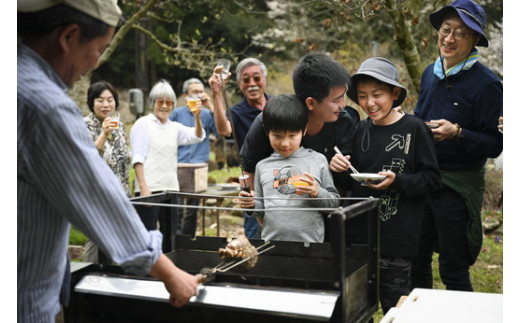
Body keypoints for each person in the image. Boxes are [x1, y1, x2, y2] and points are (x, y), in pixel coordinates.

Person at [17, 2, 199, 322]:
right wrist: (171, 274)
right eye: (99, 48)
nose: (97, 62)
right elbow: (96, 197)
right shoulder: (43, 105)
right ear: (69, 37)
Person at [329, 57, 441, 314]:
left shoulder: (414, 129)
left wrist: (397, 180)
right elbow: (350, 180)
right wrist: (338, 168)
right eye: (363, 96)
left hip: (398, 242)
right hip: (360, 239)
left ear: (395, 93)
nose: (370, 103)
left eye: (377, 95)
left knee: (397, 309)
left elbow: (432, 179)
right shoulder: (360, 130)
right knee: (357, 309)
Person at [410, 0, 503, 292]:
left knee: (453, 269)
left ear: (475, 39)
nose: (449, 39)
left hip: (458, 185)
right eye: (446, 29)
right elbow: (419, 117)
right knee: (416, 262)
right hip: (424, 179)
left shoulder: (488, 84)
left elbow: (495, 144)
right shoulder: (430, 73)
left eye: (460, 33)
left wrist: (458, 132)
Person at [240, 52, 360, 199]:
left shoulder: (346, 121)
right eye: (337, 100)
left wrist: (340, 168)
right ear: (311, 103)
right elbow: (248, 169)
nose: (343, 105)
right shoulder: (272, 120)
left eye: (344, 96)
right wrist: (258, 214)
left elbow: (346, 184)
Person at [238, 94, 340, 243]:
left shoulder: (318, 161)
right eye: (277, 136)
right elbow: (261, 209)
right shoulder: (262, 166)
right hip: (271, 245)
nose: (285, 143)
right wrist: (250, 205)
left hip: (311, 247)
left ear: (304, 130)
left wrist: (317, 193)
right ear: (267, 131)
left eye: (292, 135)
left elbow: (334, 204)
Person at [130, 79, 205, 235]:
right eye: (160, 102)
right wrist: (143, 187)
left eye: (169, 103)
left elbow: (197, 136)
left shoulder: (174, 127)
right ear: (153, 102)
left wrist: (197, 117)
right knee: (148, 235)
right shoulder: (142, 123)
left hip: (171, 189)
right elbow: (137, 157)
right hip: (149, 190)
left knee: (170, 237)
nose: (164, 106)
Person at [208, 57, 270, 239]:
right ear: (239, 84)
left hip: (277, 176)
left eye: (257, 78)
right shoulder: (237, 112)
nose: (252, 84)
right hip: (251, 179)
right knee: (253, 232)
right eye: (246, 79)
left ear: (264, 80)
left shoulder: (277, 105)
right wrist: (217, 94)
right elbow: (223, 129)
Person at [83, 80, 130, 263]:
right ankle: (86, 281)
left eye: (110, 100)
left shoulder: (119, 127)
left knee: (118, 240)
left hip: (120, 193)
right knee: (96, 240)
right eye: (100, 100)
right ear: (92, 102)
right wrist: (103, 134)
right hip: (96, 194)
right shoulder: (84, 125)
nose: (105, 104)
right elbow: (87, 158)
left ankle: (112, 282)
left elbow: (123, 161)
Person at [169, 77, 218, 237]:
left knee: (193, 208)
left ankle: (188, 239)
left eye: (201, 91)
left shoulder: (207, 114)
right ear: (185, 96)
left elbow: (220, 133)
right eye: (194, 92)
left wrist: (211, 107)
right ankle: (175, 238)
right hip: (178, 165)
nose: (199, 95)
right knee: (176, 205)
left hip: (199, 165)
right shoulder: (176, 114)